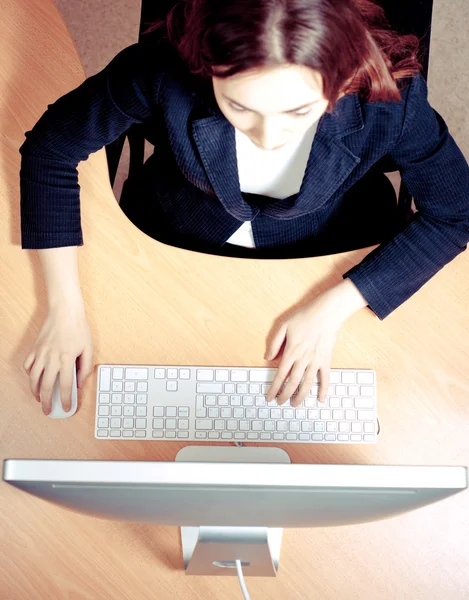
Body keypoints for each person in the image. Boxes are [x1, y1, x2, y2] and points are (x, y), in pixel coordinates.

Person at [20, 0, 469, 416]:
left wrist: (333, 307)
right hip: (175, 237)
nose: (269, 138)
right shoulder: (161, 69)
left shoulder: (393, 99)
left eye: (299, 111)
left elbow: (456, 213)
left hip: (324, 252)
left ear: (345, 73)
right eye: (238, 105)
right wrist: (64, 309)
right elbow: (50, 151)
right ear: (206, 67)